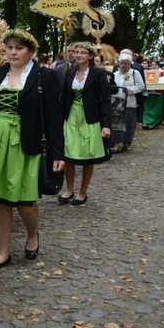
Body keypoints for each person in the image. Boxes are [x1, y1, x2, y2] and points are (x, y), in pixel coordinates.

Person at [0, 28, 64, 269]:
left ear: (30, 51)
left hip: (27, 141)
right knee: (0, 199)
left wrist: (58, 153)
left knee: (24, 201)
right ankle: (3, 252)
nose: (13, 52)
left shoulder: (43, 76)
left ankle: (32, 234)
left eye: (19, 48)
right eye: (10, 47)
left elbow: (54, 116)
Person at [58, 42, 111, 206]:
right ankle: (69, 190)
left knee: (88, 157)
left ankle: (82, 193)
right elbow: (64, 97)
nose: (79, 55)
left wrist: (106, 124)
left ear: (90, 56)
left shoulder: (99, 74)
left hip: (90, 118)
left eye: (82, 53)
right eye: (76, 52)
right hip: (72, 116)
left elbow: (106, 100)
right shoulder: (70, 71)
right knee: (67, 153)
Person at [110, 54, 146, 153]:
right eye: (121, 63)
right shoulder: (115, 74)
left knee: (129, 123)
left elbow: (141, 86)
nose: (123, 65)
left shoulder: (135, 73)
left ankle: (126, 142)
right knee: (117, 123)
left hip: (130, 102)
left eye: (125, 63)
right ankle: (116, 144)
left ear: (129, 63)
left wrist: (129, 90)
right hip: (117, 102)